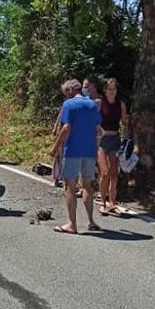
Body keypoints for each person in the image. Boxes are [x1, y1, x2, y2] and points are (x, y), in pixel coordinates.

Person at [50, 79, 102, 234]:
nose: (65, 96)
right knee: (87, 185)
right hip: (89, 151)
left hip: (72, 150)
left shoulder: (69, 104)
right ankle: (91, 221)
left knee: (69, 186)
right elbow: (98, 129)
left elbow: (66, 128)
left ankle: (72, 224)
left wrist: (55, 148)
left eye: (65, 92)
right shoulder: (92, 104)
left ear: (71, 90)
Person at [97, 78, 129, 215]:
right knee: (104, 173)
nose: (111, 91)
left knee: (114, 174)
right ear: (105, 90)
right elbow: (92, 120)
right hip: (102, 140)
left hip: (115, 139)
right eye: (109, 89)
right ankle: (102, 202)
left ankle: (113, 203)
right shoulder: (99, 103)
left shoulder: (121, 104)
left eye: (114, 89)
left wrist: (126, 140)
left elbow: (124, 122)